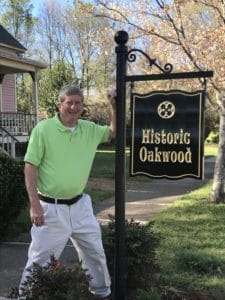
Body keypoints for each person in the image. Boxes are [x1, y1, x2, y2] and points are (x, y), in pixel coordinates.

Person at [19, 84, 116, 300]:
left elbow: (112, 133)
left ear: (83, 106)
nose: (73, 107)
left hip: (81, 206)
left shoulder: (89, 129)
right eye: (69, 102)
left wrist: (114, 107)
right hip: (50, 208)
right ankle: (25, 296)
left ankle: (102, 293)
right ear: (60, 104)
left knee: (95, 254)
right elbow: (30, 166)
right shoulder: (43, 129)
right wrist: (34, 205)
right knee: (39, 260)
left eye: (78, 103)